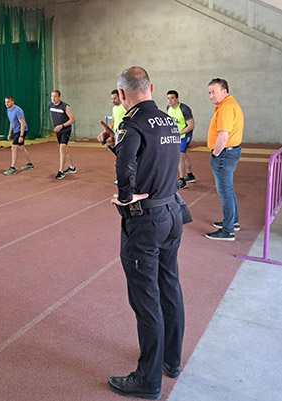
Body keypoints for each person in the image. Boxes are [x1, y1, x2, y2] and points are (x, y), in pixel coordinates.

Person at [98, 66, 185, 400]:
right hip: (172, 212)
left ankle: (148, 381)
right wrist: (114, 145)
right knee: (170, 287)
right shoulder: (167, 120)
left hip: (147, 221)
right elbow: (151, 158)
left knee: (146, 299)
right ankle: (171, 361)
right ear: (152, 88)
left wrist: (124, 195)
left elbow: (127, 165)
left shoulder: (131, 124)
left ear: (122, 95)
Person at [205, 78, 244, 241]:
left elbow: (223, 136)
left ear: (224, 91)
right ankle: (233, 222)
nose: (210, 96)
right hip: (230, 152)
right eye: (209, 93)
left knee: (225, 191)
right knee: (228, 189)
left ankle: (228, 231)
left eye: (213, 92)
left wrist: (215, 154)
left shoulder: (226, 107)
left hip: (224, 154)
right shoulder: (228, 104)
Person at [167, 90, 196, 190]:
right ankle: (190, 175)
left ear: (177, 99)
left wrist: (179, 133)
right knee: (183, 155)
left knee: (180, 156)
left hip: (185, 136)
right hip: (176, 135)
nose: (169, 101)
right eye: (168, 98)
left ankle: (182, 180)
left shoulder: (184, 109)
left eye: (172, 98)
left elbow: (191, 125)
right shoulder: (168, 108)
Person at [48, 90, 77, 180]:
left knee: (62, 148)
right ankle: (72, 168)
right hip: (58, 131)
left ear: (59, 97)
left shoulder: (65, 107)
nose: (53, 98)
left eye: (55, 96)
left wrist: (61, 125)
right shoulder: (50, 105)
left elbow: (72, 119)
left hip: (65, 130)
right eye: (52, 96)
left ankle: (60, 171)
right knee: (65, 149)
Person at [3, 96, 34, 175]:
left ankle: (12, 168)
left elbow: (22, 123)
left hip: (22, 130)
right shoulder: (8, 111)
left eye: (8, 102)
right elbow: (12, 122)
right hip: (16, 130)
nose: (7, 103)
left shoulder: (18, 110)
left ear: (12, 102)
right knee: (21, 148)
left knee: (13, 148)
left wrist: (21, 136)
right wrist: (9, 133)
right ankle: (30, 164)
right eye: (6, 102)